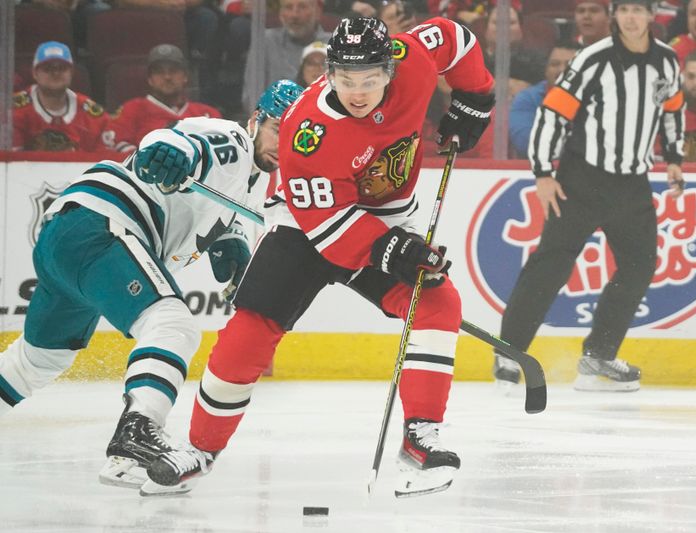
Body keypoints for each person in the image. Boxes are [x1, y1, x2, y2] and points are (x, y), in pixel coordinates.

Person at [140, 15, 495, 497]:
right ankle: (199, 449)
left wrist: (475, 96)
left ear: (390, 68)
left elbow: (454, 37)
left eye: (369, 80)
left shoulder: (411, 58)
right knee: (249, 334)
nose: (357, 91)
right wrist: (392, 250)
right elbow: (330, 231)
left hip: (383, 218)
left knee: (437, 302)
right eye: (346, 80)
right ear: (329, 74)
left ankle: (420, 441)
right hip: (304, 227)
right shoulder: (307, 131)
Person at [0, 80, 304, 489]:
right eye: (277, 131)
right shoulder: (234, 141)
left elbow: (228, 238)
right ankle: (137, 433)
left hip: (68, 236)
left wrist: (236, 264)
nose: (282, 146)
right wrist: (168, 151)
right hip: (100, 225)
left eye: (296, 139)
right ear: (255, 121)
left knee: (39, 360)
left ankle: (126, 459)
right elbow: (181, 138)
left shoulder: (250, 190)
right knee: (172, 323)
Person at [493, 0, 685, 392]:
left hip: (633, 183)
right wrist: (543, 173)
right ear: (615, 15)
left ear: (652, 16)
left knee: (640, 264)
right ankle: (509, 352)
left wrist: (676, 157)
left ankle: (598, 356)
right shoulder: (593, 59)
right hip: (582, 179)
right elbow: (553, 113)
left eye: (639, 10)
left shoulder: (667, 61)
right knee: (552, 264)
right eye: (624, 9)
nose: (631, 17)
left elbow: (673, 108)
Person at [110, 44, 222, 152]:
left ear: (185, 77)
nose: (167, 77)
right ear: (150, 79)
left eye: (173, 71)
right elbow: (118, 146)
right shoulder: (131, 110)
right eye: (159, 72)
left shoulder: (208, 114)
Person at [13, 41, 114, 152]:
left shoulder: (95, 117)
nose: (56, 73)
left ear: (71, 72)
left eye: (62, 68)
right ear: (35, 73)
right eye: (48, 68)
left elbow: (104, 163)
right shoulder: (13, 111)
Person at [242, 0, 332, 112]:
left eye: (302, 7)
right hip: (274, 122)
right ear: (280, 14)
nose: (294, 15)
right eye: (288, 7)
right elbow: (251, 97)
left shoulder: (334, 44)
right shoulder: (266, 41)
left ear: (317, 12)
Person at [508, 40, 579, 157]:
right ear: (546, 70)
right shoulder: (527, 99)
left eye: (569, 65)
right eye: (555, 64)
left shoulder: (598, 98)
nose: (561, 70)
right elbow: (526, 144)